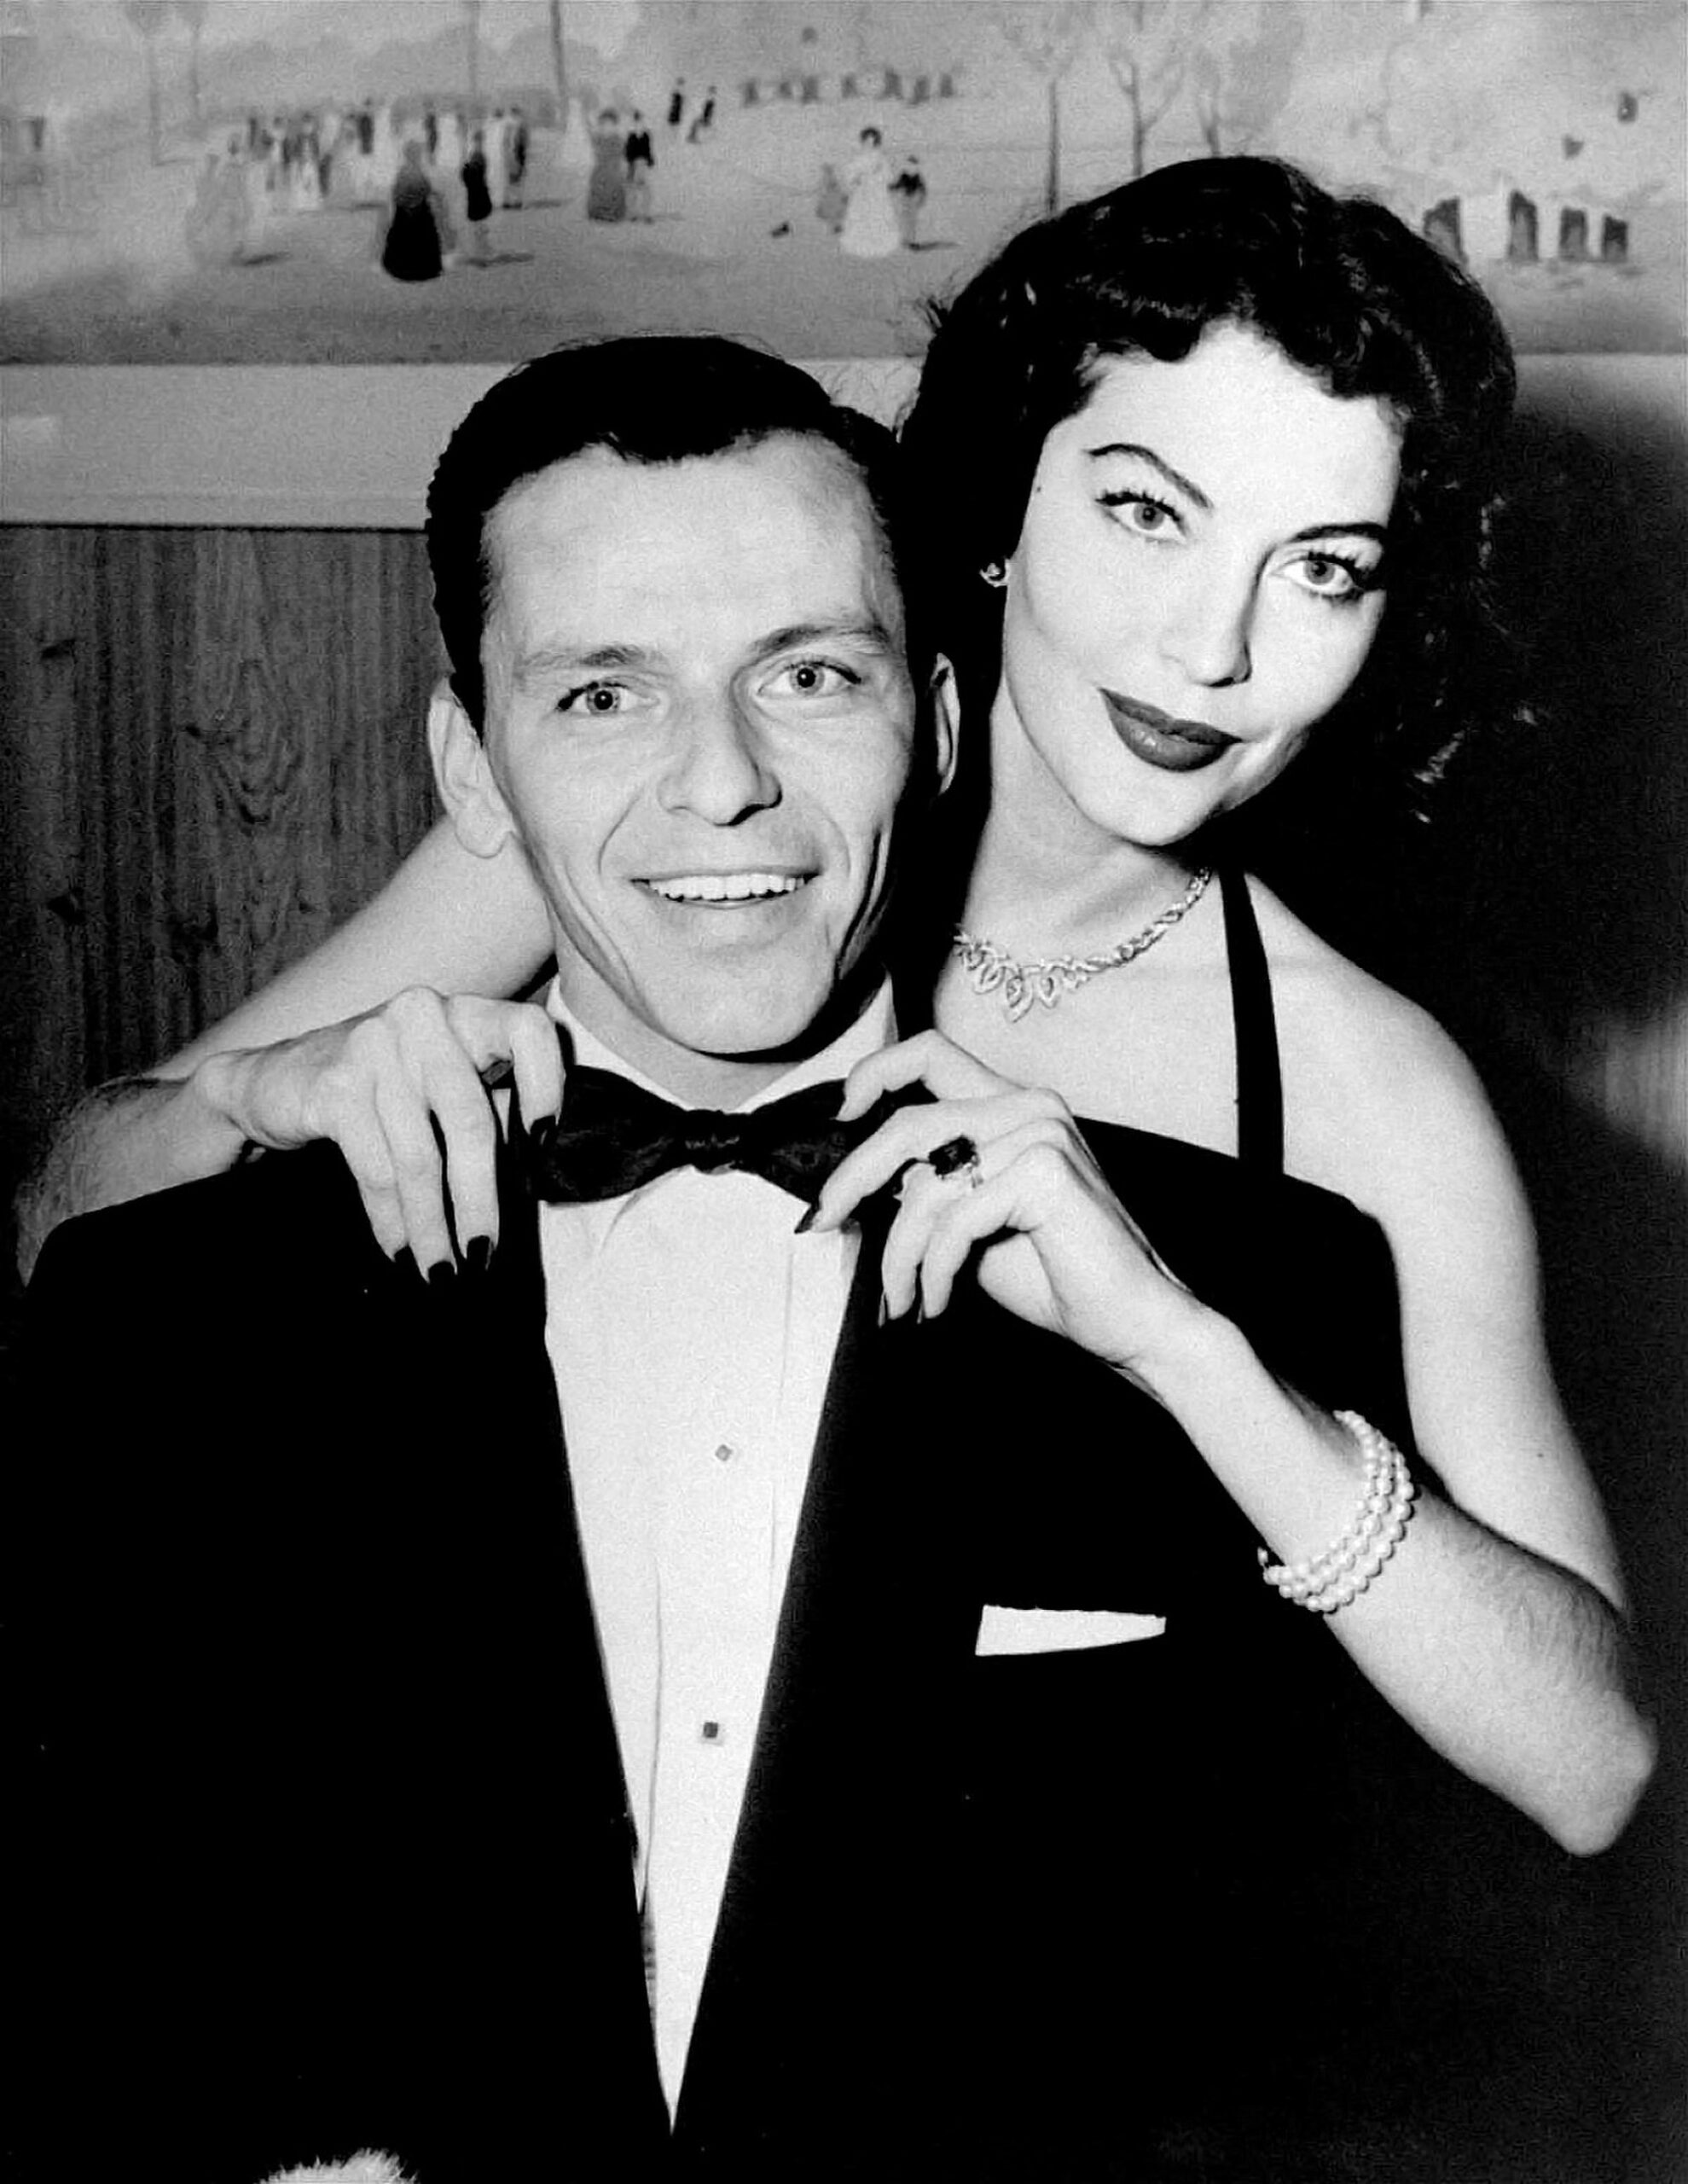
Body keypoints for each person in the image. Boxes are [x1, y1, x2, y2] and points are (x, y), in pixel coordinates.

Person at [15, 166, 1655, 2173]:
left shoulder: (1351, 1079)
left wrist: (1198, 1356)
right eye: (1148, 511)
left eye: (1320, 565)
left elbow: (1586, 1765)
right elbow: (79, 1215)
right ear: (1001, 505)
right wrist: (279, 1086)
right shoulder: (703, 818)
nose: (1210, 647)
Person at [374, 137, 450, 282]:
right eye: (418, 154)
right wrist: (436, 197)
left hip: (405, 216)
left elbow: (396, 193)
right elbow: (426, 189)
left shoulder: (403, 172)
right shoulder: (416, 172)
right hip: (418, 215)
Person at [838, 124, 899, 258]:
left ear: (876, 142)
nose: (869, 144)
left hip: (878, 193)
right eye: (867, 141)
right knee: (861, 217)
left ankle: (879, 245)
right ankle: (859, 246)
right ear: (863, 141)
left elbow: (889, 177)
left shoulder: (881, 159)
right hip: (862, 194)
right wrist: (858, 178)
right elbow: (849, 174)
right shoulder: (859, 158)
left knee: (878, 217)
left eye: (872, 141)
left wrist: (877, 177)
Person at [587, 107, 626, 222]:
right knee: (597, 187)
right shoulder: (598, 139)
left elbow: (620, 153)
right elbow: (595, 146)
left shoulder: (618, 139)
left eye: (610, 125)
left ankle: (612, 212)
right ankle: (597, 211)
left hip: (613, 170)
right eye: (604, 124)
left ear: (615, 125)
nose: (606, 127)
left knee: (613, 188)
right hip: (600, 170)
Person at [890, 149, 927, 247]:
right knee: (909, 220)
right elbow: (922, 188)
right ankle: (909, 240)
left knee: (906, 220)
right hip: (909, 199)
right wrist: (922, 198)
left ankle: (908, 240)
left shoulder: (908, 175)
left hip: (908, 199)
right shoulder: (914, 175)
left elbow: (897, 185)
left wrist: (891, 188)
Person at [624, 108, 655, 223]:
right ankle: (638, 213)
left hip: (639, 163)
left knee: (638, 188)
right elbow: (630, 150)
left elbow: (646, 149)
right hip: (637, 163)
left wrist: (649, 159)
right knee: (637, 188)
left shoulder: (641, 134)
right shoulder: (635, 134)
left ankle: (640, 213)